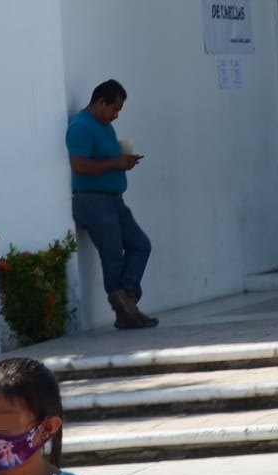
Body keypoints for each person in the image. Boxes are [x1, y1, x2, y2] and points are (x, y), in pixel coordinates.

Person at [66, 79, 158, 330]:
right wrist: (116, 163)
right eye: (113, 109)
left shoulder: (105, 126)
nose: (115, 115)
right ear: (100, 102)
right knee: (113, 255)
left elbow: (105, 159)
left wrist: (123, 161)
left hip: (114, 199)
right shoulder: (81, 127)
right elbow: (79, 165)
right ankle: (126, 310)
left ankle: (128, 298)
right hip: (93, 200)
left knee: (141, 245)